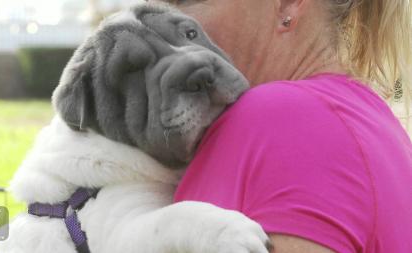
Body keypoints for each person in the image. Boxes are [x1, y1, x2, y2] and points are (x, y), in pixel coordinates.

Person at [148, 0, 412, 252]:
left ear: (287, 3)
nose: (148, 27)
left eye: (183, 0)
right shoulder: (371, 121)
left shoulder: (282, 119)